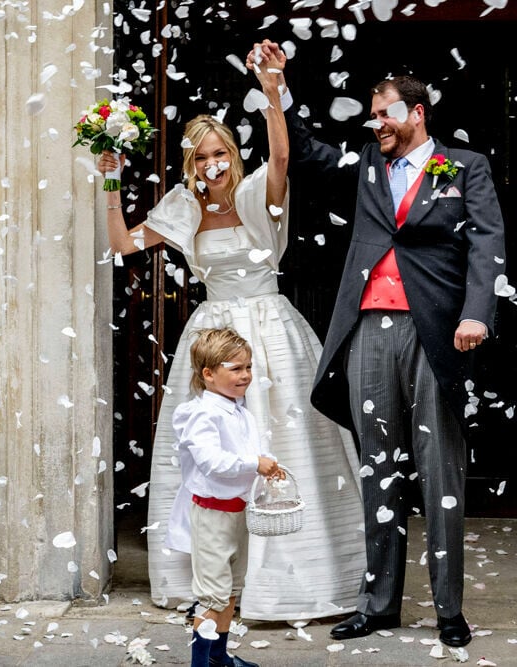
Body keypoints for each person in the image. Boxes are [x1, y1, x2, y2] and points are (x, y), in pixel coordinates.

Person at [99, 40, 365, 621]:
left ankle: (292, 575)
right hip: (213, 334)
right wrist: (112, 183)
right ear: (190, 165)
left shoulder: (256, 195)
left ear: (232, 156)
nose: (210, 164)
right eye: (199, 158)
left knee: (284, 435)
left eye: (218, 153)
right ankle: (217, 577)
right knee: (212, 451)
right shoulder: (183, 209)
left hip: (270, 329)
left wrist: (272, 91)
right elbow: (122, 244)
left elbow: (283, 156)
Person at [282, 66, 506, 646]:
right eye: (371, 113)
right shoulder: (368, 165)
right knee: (377, 469)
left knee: (440, 474)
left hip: (435, 333)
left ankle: (449, 610)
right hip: (368, 333)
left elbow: (487, 242)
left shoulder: (463, 167)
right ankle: (378, 605)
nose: (373, 122)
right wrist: (278, 85)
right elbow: (306, 153)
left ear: (416, 113)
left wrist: (477, 311)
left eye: (383, 113)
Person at [169, 328, 282, 667]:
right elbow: (211, 461)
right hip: (213, 517)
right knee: (211, 598)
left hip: (238, 513)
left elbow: (247, 450)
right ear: (208, 373)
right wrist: (253, 463)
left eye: (248, 367)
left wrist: (268, 463)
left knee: (231, 591)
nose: (245, 375)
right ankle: (200, 664)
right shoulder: (202, 413)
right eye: (235, 368)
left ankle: (219, 658)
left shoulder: (239, 411)